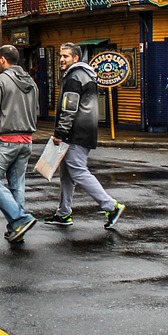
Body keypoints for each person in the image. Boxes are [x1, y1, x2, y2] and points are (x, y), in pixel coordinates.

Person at [42, 43, 124, 229]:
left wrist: (60, 133)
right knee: (67, 174)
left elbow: (69, 108)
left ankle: (111, 206)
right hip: (84, 129)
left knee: (77, 170)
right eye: (60, 55)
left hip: (76, 132)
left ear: (76, 58)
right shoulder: (86, 75)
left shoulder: (74, 77)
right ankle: (63, 213)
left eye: (66, 56)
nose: (62, 59)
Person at [0, 45, 40, 243]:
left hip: (5, 138)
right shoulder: (31, 82)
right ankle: (16, 228)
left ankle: (20, 218)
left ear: (3, 59)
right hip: (26, 139)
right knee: (17, 184)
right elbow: (36, 110)